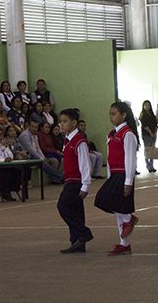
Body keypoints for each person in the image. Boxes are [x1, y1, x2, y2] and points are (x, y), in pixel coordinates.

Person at [94, 102, 140, 256]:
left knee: (104, 200)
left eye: (114, 114)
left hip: (123, 174)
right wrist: (108, 174)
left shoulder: (127, 134)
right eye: (110, 114)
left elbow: (130, 159)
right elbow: (109, 156)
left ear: (124, 115)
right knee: (117, 208)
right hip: (114, 174)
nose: (111, 117)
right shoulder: (112, 134)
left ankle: (129, 219)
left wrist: (128, 180)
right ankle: (124, 244)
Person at [56, 108, 94, 254]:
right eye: (61, 121)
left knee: (63, 206)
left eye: (65, 121)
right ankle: (77, 242)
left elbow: (85, 164)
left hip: (76, 181)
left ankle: (83, 233)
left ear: (74, 123)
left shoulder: (79, 141)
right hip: (70, 179)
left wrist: (85, 184)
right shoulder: (67, 140)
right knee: (76, 211)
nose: (62, 124)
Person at [18, 119, 64, 184]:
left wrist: (42, 157)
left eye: (36, 127)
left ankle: (57, 178)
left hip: (35, 156)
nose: (34, 129)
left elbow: (38, 148)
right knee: (42, 163)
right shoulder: (25, 135)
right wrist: (40, 159)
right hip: (27, 156)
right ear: (28, 126)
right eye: (32, 127)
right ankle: (60, 176)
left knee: (50, 161)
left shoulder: (35, 135)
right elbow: (31, 150)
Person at [139, 100, 158, 173]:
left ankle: (152, 165)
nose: (147, 106)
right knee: (147, 149)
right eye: (146, 105)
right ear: (143, 106)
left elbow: (156, 124)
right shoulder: (142, 114)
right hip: (146, 134)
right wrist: (150, 132)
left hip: (154, 134)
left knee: (152, 149)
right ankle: (148, 165)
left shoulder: (152, 114)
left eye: (148, 105)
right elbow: (144, 125)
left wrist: (155, 133)